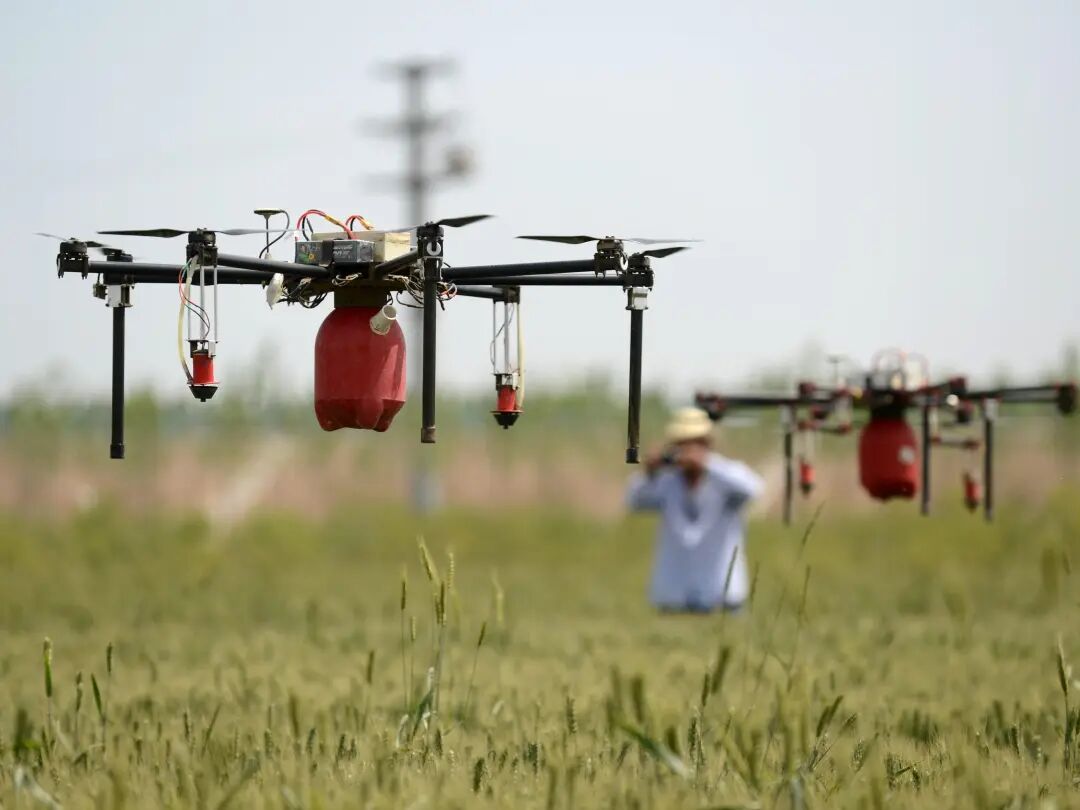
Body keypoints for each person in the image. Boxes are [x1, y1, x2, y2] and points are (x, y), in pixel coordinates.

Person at [627, 407, 764, 613]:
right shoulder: (666, 481)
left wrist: (705, 462)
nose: (687, 451)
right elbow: (633, 499)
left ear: (708, 444)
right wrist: (650, 472)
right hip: (674, 598)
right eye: (682, 444)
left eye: (695, 443)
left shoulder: (725, 476)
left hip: (722, 595)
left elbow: (754, 488)